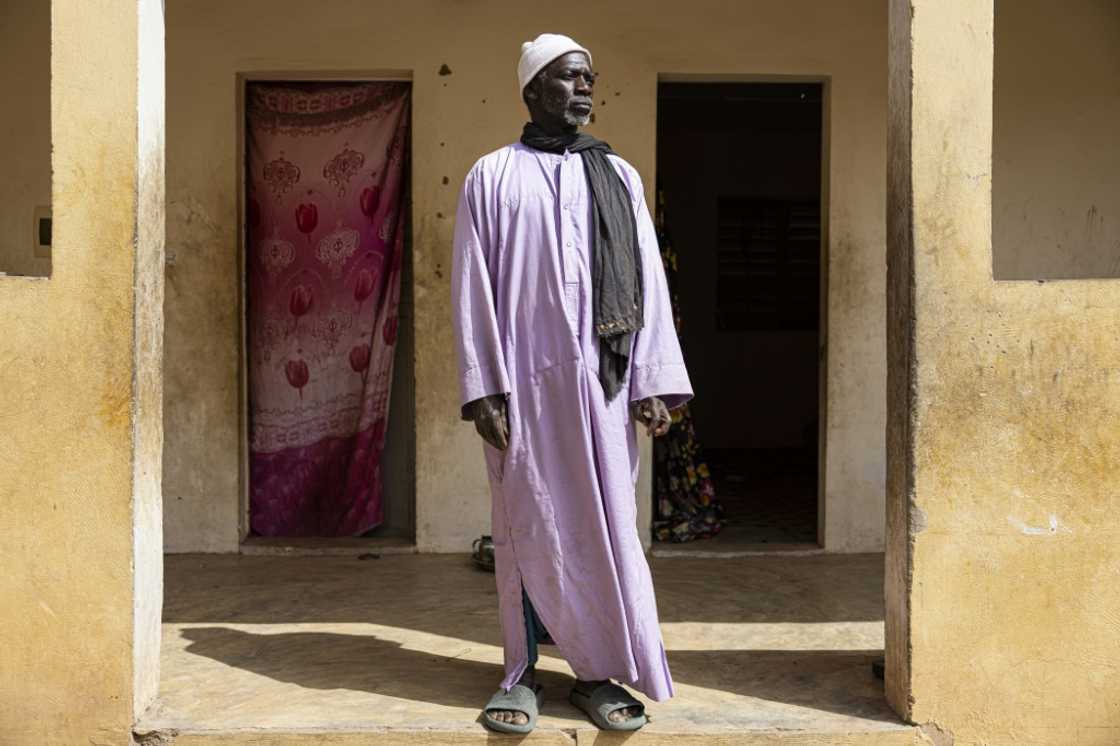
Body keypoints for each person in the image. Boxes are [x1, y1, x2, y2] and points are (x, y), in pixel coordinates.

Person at [451, 32, 693, 734]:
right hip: (523, 391)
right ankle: (521, 672)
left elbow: (646, 280)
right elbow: (473, 286)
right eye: (568, 79)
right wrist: (483, 388)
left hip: (608, 389)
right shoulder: (490, 176)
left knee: (605, 530)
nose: (584, 89)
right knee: (529, 527)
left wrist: (651, 380)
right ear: (532, 91)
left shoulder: (618, 178)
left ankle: (597, 674)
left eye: (589, 78)